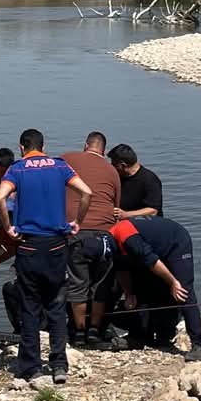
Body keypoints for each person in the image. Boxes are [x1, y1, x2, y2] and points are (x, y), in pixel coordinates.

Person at [0, 127, 91, 386]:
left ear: (22, 147)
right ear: (43, 146)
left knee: (30, 306)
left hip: (30, 246)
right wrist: (77, 221)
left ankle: (31, 367)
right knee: (57, 306)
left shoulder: (18, 169)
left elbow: (0, 198)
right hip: (57, 245)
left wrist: (8, 227)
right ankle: (59, 365)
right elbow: (86, 193)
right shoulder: (60, 166)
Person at [108, 214, 201, 359]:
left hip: (176, 242)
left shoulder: (129, 238)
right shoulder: (111, 243)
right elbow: (121, 269)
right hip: (154, 246)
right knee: (141, 290)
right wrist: (129, 293)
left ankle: (199, 345)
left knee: (183, 291)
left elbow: (152, 261)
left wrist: (173, 282)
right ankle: (141, 337)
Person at [61, 132, 123, 345]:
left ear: (85, 145)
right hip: (105, 234)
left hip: (77, 232)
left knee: (78, 283)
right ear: (104, 151)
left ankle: (78, 332)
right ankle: (95, 331)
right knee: (100, 285)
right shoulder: (112, 171)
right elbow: (116, 205)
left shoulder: (67, 158)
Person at [111, 143, 163, 217]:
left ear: (123, 165)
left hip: (146, 224)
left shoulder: (150, 180)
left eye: (114, 165)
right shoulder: (117, 177)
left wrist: (126, 214)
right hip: (122, 223)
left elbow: (153, 211)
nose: (112, 167)